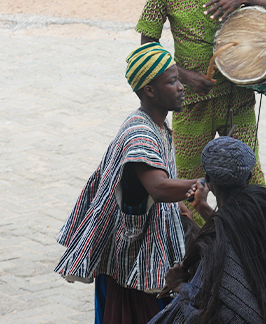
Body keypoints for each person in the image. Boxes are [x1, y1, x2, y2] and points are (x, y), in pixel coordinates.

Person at [137, 0, 266, 212]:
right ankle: (201, 249)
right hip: (191, 104)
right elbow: (147, 47)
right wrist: (184, 76)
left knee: (249, 175)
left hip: (236, 97)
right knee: (191, 184)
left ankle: (254, 237)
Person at [55, 44, 200, 324]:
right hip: (132, 265)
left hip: (140, 258)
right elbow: (157, 187)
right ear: (149, 90)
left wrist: (180, 205)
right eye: (172, 81)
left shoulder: (157, 126)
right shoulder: (139, 132)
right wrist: (206, 182)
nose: (181, 87)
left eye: (179, 79)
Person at [151, 137, 266, 323]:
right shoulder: (265, 206)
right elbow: (232, 227)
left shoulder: (215, 245)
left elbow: (202, 308)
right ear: (249, 177)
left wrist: (179, 286)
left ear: (207, 180)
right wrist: (201, 206)